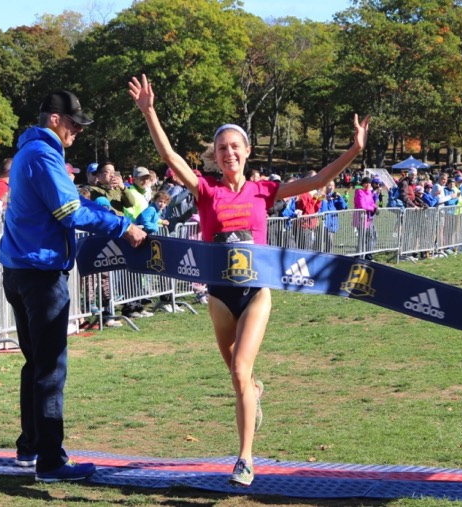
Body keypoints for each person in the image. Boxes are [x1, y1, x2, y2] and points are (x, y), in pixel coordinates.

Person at [130, 74, 369, 487]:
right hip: (219, 296)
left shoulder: (264, 190)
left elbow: (315, 182)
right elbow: (170, 157)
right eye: (222, 149)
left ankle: (244, 458)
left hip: (256, 293)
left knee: (240, 370)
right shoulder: (205, 190)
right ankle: (255, 394)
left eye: (234, 147)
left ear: (247, 151)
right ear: (216, 156)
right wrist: (149, 111)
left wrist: (354, 150)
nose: (228, 154)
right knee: (239, 377)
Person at [0, 89, 147, 483]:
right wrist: (122, 225)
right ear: (53, 119)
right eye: (73, 124)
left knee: (36, 364)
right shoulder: (43, 155)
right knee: (50, 368)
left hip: (20, 269)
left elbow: (65, 205)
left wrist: (104, 212)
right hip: (41, 274)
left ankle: (30, 448)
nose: (76, 132)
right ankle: (49, 461)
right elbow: (68, 211)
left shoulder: (31, 152)